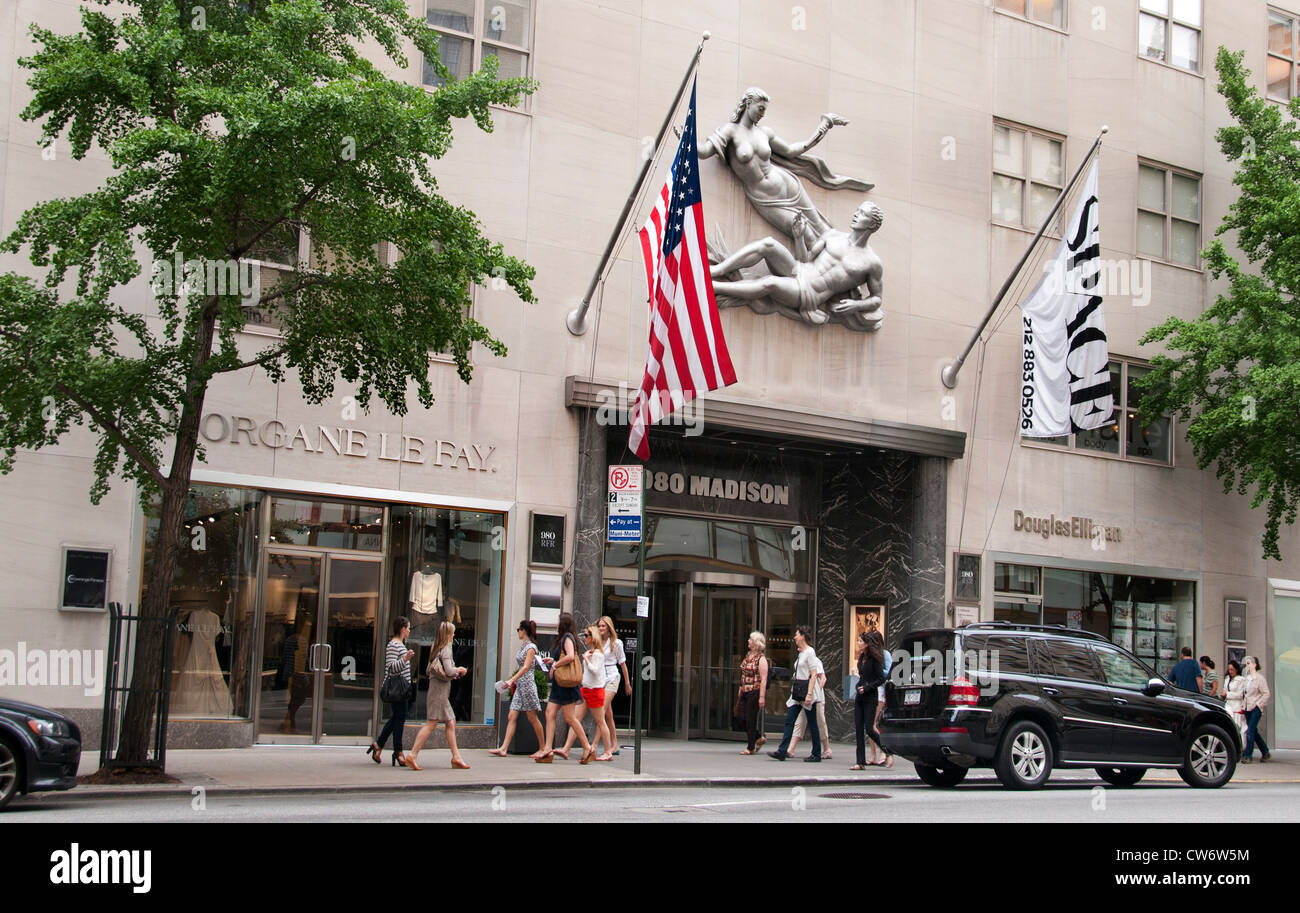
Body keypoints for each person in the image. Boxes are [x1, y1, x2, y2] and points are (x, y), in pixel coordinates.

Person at [699, 87, 870, 247]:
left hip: (788, 184)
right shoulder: (730, 131)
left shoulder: (764, 133)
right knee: (807, 236)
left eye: (765, 110)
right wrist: (688, 141)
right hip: (764, 197)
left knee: (821, 227)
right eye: (760, 108)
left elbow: (792, 150)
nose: (763, 114)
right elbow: (705, 151)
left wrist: (824, 126)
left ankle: (850, 250)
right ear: (748, 103)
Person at [710, 203, 885, 330]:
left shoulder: (871, 262)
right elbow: (805, 258)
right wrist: (798, 237)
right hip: (799, 270)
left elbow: (877, 299)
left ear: (871, 224)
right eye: (858, 210)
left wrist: (856, 305)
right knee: (768, 244)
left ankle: (713, 286)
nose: (856, 214)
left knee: (770, 283)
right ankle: (718, 270)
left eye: (862, 214)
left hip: (809, 293)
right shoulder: (833, 236)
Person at [533, 613, 596, 764]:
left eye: (558, 621)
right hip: (559, 684)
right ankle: (548, 749)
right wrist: (553, 660)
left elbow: (570, 657)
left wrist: (555, 665)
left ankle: (588, 748)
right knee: (550, 713)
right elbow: (564, 657)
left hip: (566, 684)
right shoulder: (563, 638)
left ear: (563, 623)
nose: (556, 623)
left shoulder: (567, 637)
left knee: (570, 718)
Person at [406, 620, 470, 770]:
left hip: (437, 689)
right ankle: (413, 754)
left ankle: (456, 757)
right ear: (448, 634)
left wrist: (446, 674)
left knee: (450, 721)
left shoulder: (436, 647)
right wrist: (460, 669)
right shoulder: (446, 649)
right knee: (432, 723)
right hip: (440, 692)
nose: (454, 634)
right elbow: (448, 671)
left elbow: (429, 670)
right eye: (453, 632)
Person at [490, 620, 546, 757]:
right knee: (512, 715)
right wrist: (514, 681)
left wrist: (511, 680)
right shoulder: (524, 647)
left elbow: (526, 667)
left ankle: (543, 748)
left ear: (523, 630)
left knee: (532, 717)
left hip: (527, 685)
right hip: (521, 685)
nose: (518, 632)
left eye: (518, 630)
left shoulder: (531, 647)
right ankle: (504, 748)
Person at [768, 625, 823, 762]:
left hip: (806, 692)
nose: (795, 637)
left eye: (797, 634)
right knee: (789, 721)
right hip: (798, 692)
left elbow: (813, 674)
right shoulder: (801, 653)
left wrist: (809, 694)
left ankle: (816, 753)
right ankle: (782, 750)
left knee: (812, 723)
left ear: (803, 636)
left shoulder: (810, 652)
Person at [370, 616, 414, 767]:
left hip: (402, 688)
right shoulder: (393, 645)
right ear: (402, 629)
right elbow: (391, 667)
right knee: (399, 719)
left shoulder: (400, 644)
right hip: (397, 689)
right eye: (408, 627)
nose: (409, 630)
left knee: (397, 718)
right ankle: (398, 751)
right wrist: (405, 659)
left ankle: (379, 746)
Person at [851, 630, 893, 769]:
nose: (858, 643)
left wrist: (867, 687)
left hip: (871, 696)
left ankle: (887, 751)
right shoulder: (861, 657)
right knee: (858, 728)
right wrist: (858, 686)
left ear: (867, 644)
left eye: (860, 641)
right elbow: (862, 676)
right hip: (860, 696)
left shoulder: (875, 659)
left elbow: (881, 678)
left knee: (869, 728)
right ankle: (860, 762)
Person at [579, 626, 615, 762]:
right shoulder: (591, 652)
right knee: (574, 718)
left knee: (600, 721)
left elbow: (594, 670)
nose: (584, 638)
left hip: (595, 691)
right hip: (587, 689)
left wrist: (587, 659)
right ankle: (587, 747)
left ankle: (606, 751)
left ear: (592, 637)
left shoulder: (598, 654)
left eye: (586, 635)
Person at [598, 616, 631, 756]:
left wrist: (627, 683)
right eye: (599, 626)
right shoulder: (597, 641)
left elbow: (622, 663)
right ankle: (615, 744)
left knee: (601, 711)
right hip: (600, 677)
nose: (600, 628)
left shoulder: (616, 643)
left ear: (609, 628)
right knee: (608, 714)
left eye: (603, 626)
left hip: (612, 676)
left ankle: (594, 745)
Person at [737, 631, 769, 755]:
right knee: (741, 717)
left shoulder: (761, 659)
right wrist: (740, 688)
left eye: (750, 639)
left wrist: (761, 697)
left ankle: (750, 747)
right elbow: (743, 674)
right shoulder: (748, 656)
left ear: (756, 643)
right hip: (745, 690)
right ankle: (758, 737)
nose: (748, 641)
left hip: (754, 691)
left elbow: (764, 679)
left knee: (751, 719)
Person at [1241, 655, 1272, 763]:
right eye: (1246, 664)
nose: (1247, 666)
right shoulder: (1246, 678)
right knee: (1253, 731)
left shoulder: (1259, 679)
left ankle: (1248, 755)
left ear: (1255, 665)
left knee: (1250, 731)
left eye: (1249, 663)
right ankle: (1265, 751)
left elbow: (1266, 693)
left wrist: (1258, 704)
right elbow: (1244, 693)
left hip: (1256, 708)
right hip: (1247, 707)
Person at [1223, 660, 1247, 744]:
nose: (1230, 672)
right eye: (1229, 669)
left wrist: (1227, 694)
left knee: (1238, 728)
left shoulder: (1241, 680)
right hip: (1228, 706)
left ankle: (1241, 746)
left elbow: (1240, 695)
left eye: (1232, 669)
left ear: (1236, 670)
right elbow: (1224, 690)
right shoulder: (1227, 679)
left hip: (1236, 707)